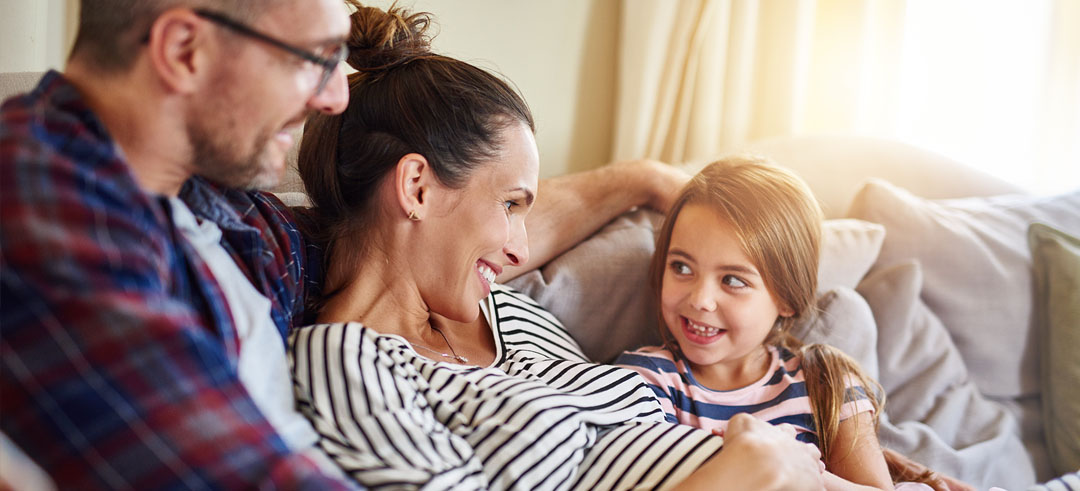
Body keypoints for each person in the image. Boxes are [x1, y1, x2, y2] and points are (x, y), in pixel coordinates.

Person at [0, 0, 813, 489]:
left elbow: (425, 234)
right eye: (315, 59)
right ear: (184, 49)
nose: (329, 98)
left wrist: (634, 180)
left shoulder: (228, 217)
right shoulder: (45, 209)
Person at [285, 3, 828, 490]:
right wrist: (749, 473)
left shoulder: (497, 308)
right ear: (417, 188)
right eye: (510, 205)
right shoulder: (346, 364)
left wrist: (645, 179)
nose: (520, 252)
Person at [614, 157, 968, 490]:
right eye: (682, 268)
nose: (699, 300)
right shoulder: (645, 379)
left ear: (786, 297)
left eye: (733, 280)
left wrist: (810, 473)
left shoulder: (826, 382)